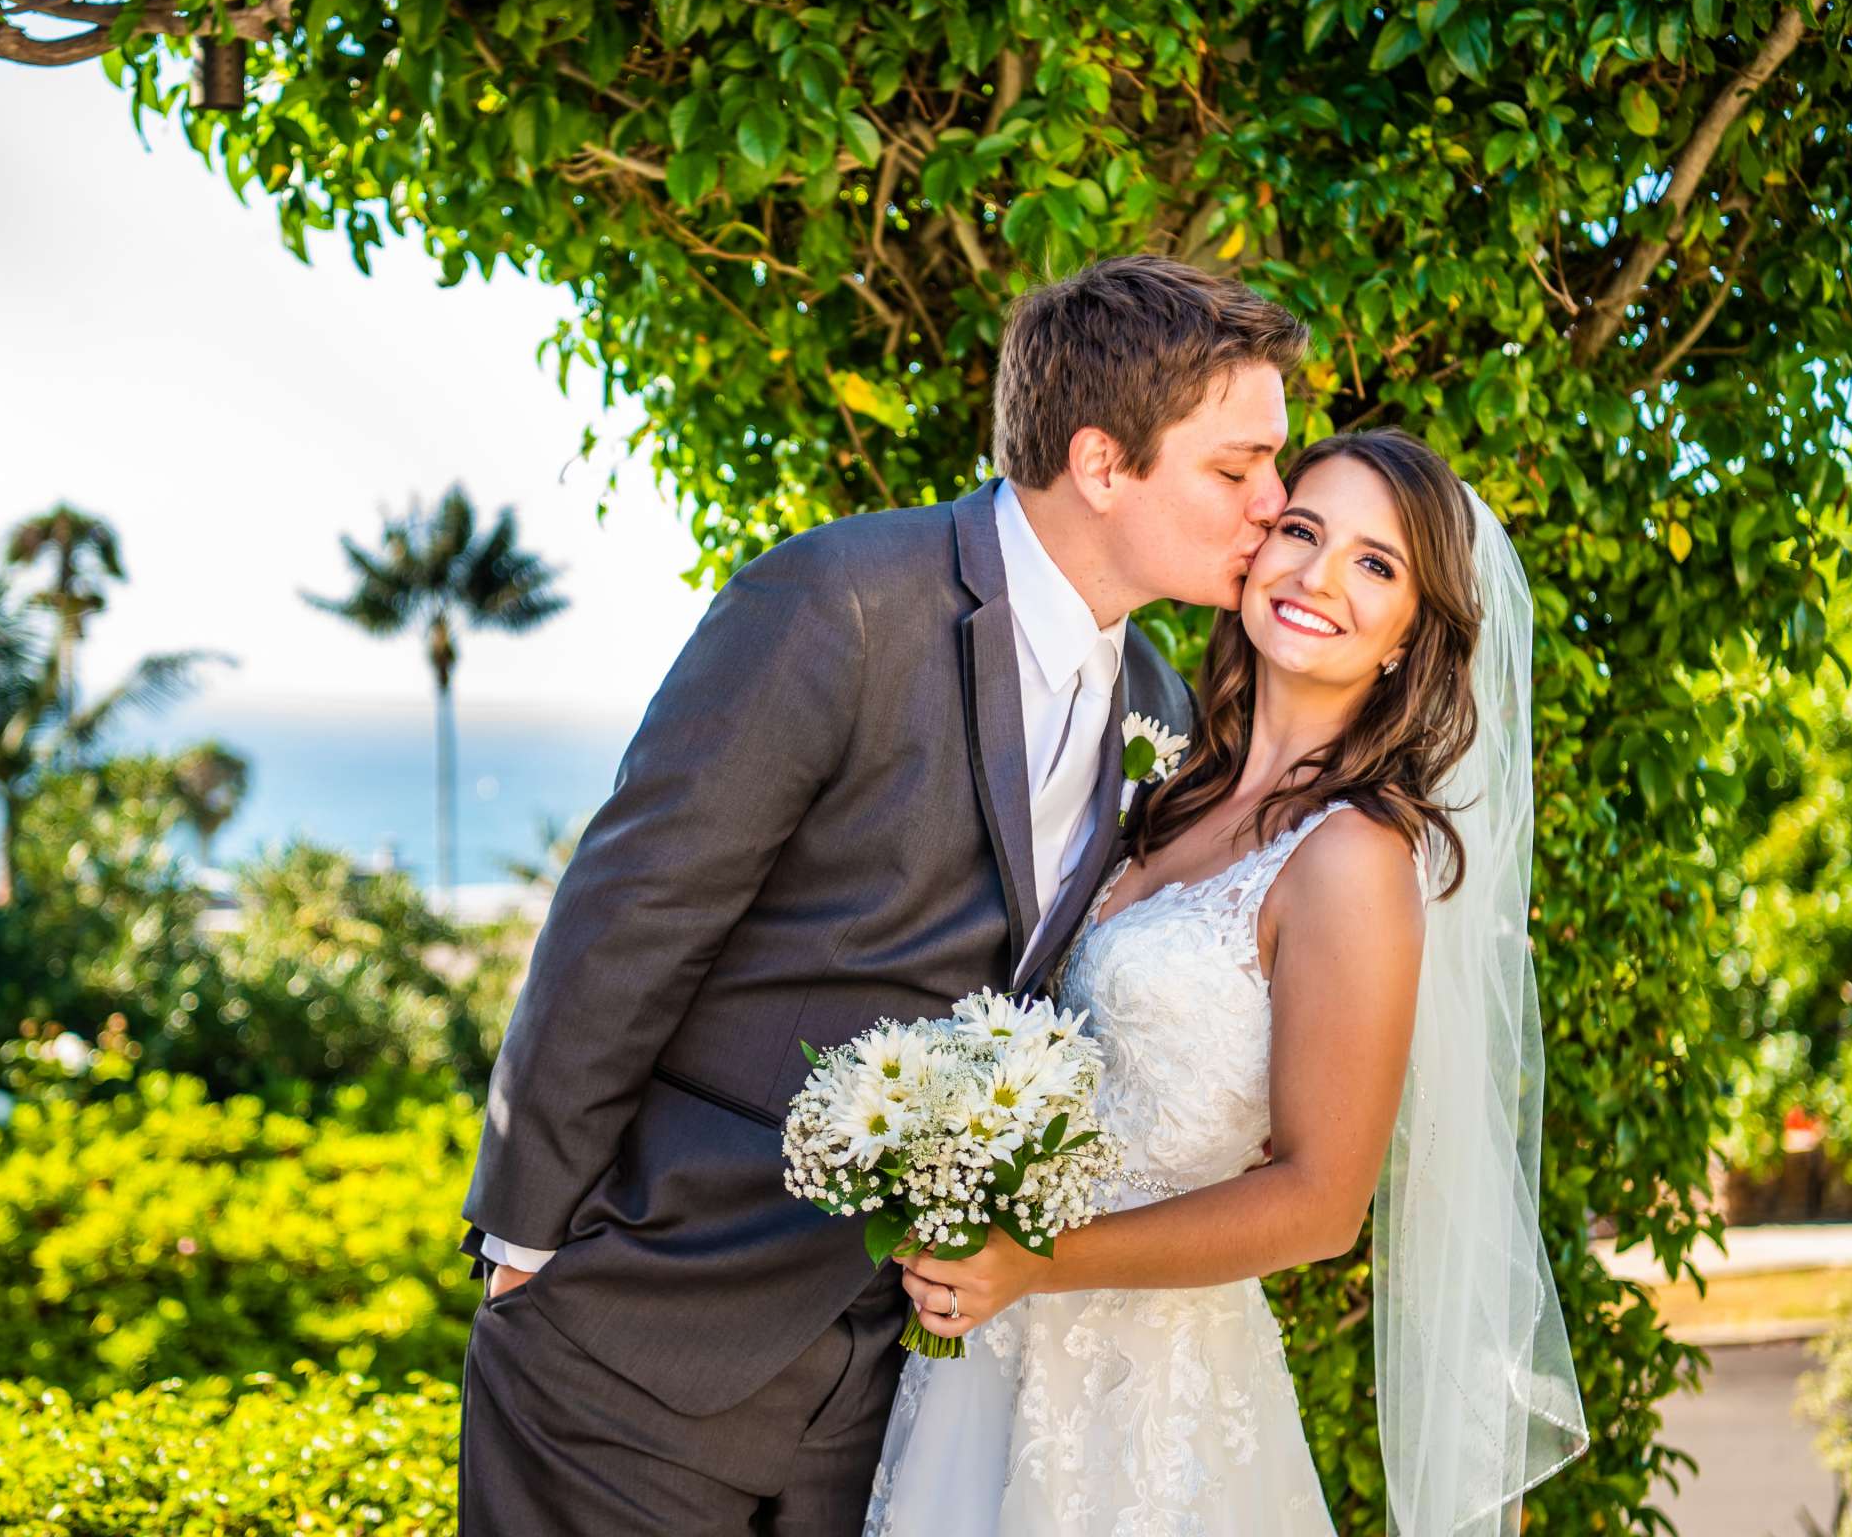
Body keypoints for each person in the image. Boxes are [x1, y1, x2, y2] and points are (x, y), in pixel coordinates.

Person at [456, 255, 1308, 1535]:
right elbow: (632, 911)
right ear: (1102, 462)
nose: (1273, 505)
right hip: (641, 1341)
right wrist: (524, 1242)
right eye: (1238, 468)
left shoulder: (1161, 704)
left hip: (894, 1401)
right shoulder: (840, 601)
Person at [863, 428, 1590, 1536]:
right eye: (1303, 530)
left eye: (1376, 565)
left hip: (1153, 1400)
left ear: (1409, 636)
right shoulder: (1161, 790)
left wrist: (1031, 1261)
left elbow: (1320, 1204)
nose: (1319, 576)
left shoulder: (1354, 860)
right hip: (994, 1350)